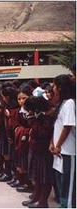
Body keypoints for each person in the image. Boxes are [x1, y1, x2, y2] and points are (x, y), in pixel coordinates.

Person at [22, 96, 55, 208]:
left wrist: (33, 121)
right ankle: (36, 197)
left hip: (44, 150)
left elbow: (41, 133)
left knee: (45, 177)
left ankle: (42, 201)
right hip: (37, 148)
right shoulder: (41, 116)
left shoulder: (48, 117)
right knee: (38, 176)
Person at [50, 74, 76, 208]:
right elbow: (57, 126)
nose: (53, 88)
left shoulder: (70, 103)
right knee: (61, 184)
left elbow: (67, 126)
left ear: (60, 87)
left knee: (69, 185)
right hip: (59, 150)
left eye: (54, 86)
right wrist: (52, 143)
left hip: (68, 150)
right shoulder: (62, 103)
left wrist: (58, 145)